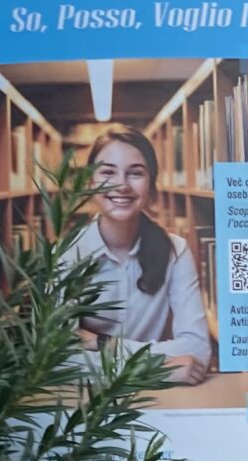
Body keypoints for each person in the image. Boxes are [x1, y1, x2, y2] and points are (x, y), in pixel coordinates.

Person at [62, 125, 213, 385]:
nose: (122, 185)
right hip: (87, 400)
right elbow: (60, 360)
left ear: (151, 184)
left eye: (135, 173)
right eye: (108, 172)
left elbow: (197, 350)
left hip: (157, 399)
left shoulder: (175, 251)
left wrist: (102, 343)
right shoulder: (67, 255)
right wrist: (158, 369)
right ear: (90, 182)